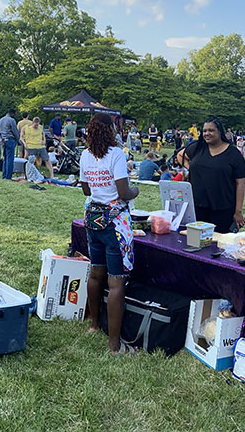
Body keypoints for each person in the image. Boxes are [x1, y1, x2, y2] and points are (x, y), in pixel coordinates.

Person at [80, 113, 139, 354]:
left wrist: (97, 185)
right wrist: (135, 190)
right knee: (116, 281)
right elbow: (123, 191)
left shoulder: (85, 155)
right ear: (110, 130)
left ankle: (94, 325)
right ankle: (114, 345)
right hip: (115, 223)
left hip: (93, 218)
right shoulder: (116, 154)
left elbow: (85, 190)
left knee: (96, 273)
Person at [175, 117, 245, 233]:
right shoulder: (198, 148)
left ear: (219, 131)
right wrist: (191, 169)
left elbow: (240, 183)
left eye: (211, 130)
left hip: (223, 208)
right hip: (197, 206)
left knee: (219, 244)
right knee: (196, 242)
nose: (207, 134)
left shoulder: (233, 153)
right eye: (204, 131)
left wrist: (238, 211)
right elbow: (180, 156)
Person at [0, 109, 19, 180]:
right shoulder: (11, 120)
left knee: (5, 158)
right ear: (12, 114)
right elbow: (15, 131)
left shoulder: (0, 120)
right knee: (10, 159)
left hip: (3, 140)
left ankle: (4, 175)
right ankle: (8, 176)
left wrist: (0, 139)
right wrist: (18, 139)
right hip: (10, 140)